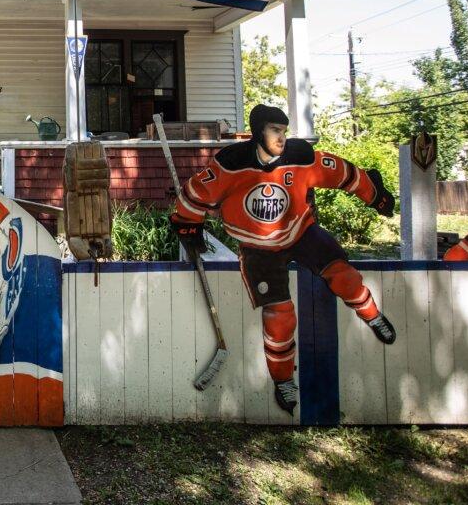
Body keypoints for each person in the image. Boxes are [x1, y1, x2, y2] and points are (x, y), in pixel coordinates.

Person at [169, 104, 397, 415]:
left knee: (345, 277)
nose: (281, 137)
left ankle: (372, 315)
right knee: (280, 316)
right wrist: (188, 224)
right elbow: (194, 194)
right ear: (257, 132)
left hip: (301, 231)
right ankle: (283, 380)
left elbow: (343, 172)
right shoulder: (231, 164)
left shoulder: (300, 156)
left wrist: (375, 195)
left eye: (284, 131)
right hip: (257, 247)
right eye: (274, 130)